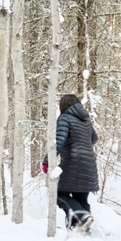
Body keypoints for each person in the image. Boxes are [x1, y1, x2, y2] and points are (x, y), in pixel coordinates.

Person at [43, 94, 99, 231]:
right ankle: (81, 228)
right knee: (81, 199)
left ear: (63, 105)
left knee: (58, 194)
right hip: (89, 164)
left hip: (73, 162)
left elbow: (59, 141)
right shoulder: (86, 119)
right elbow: (94, 139)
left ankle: (83, 217)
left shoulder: (64, 118)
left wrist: (47, 161)